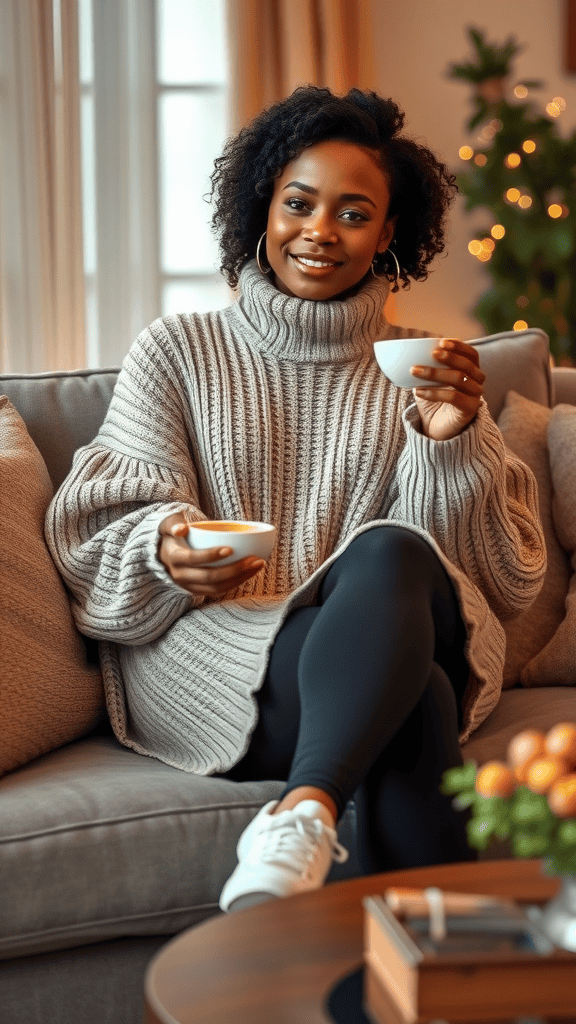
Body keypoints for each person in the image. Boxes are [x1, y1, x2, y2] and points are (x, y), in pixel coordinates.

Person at [46, 86, 546, 914]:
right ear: (263, 209)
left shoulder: (420, 371)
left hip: (372, 646)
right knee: (413, 695)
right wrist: (163, 548)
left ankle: (304, 813)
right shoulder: (180, 351)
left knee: (394, 571)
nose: (319, 231)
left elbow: (489, 581)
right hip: (223, 653)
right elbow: (106, 518)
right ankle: (446, 963)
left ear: (388, 234)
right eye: (299, 204)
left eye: (353, 213)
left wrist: (451, 441)